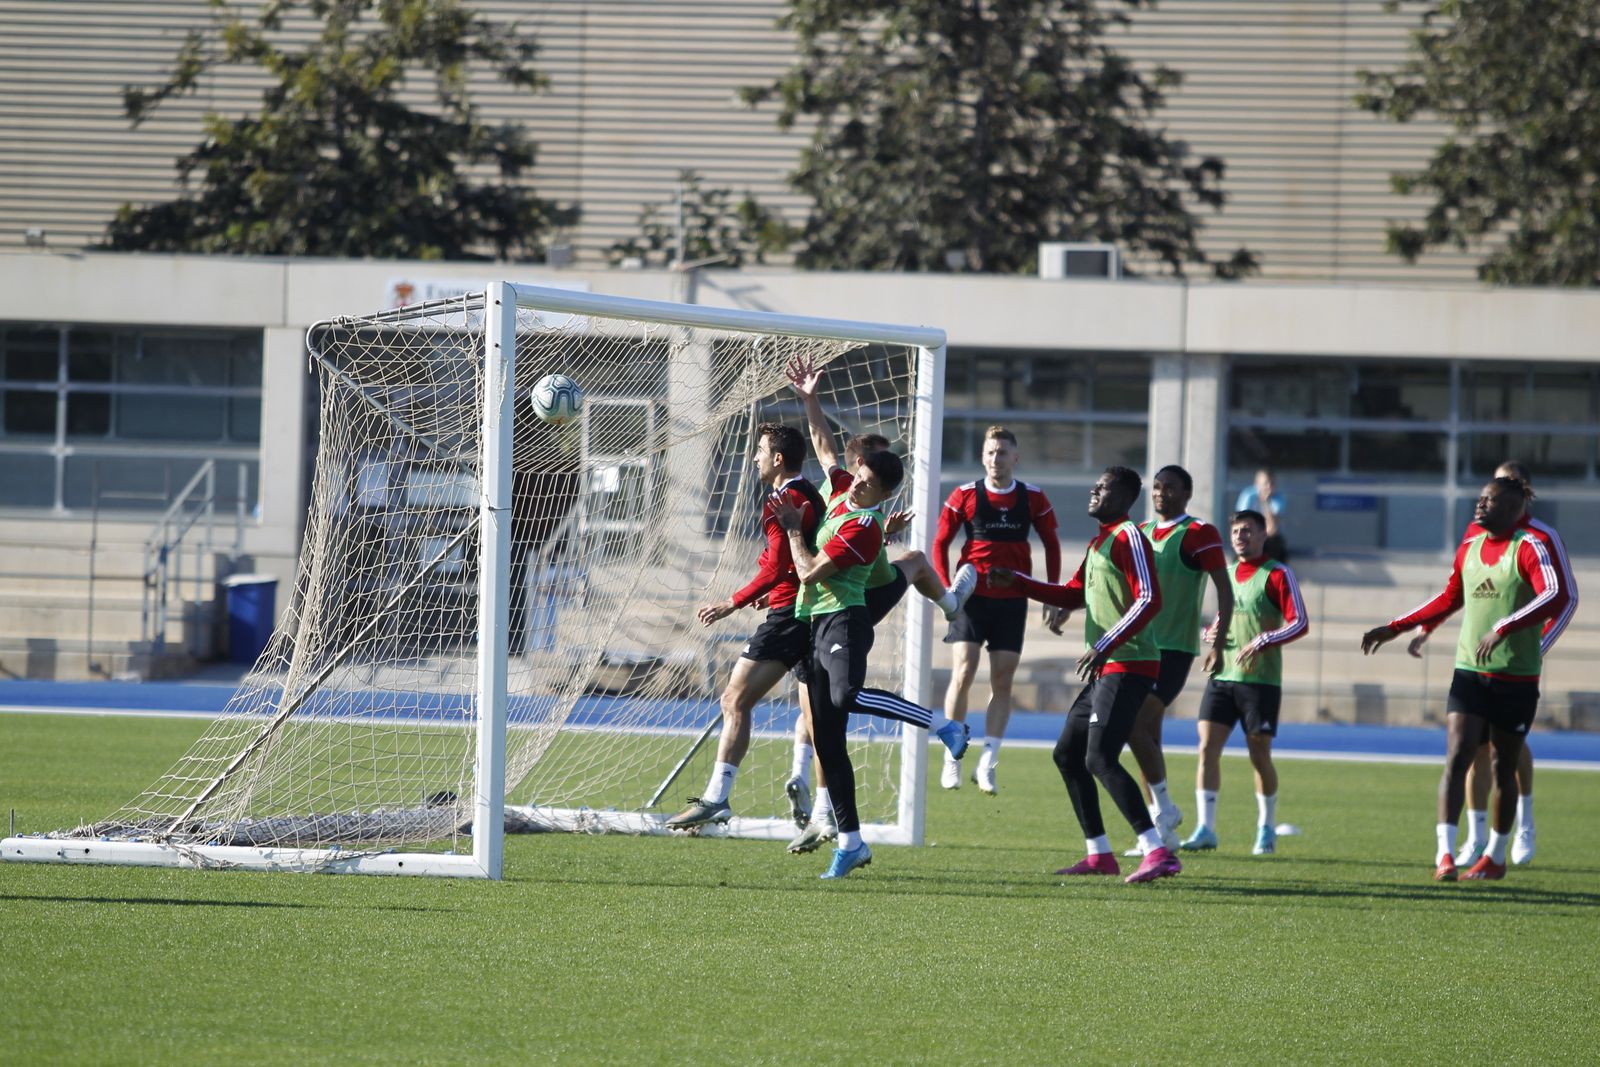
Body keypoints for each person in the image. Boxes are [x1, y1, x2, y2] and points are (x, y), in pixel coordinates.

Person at [783, 358, 978, 853]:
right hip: (815, 620)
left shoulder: (863, 525)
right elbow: (826, 445)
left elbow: (807, 572)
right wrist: (810, 399)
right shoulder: (844, 488)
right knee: (828, 740)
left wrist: (790, 528)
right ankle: (850, 842)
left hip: (846, 618)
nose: (858, 483)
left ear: (885, 494)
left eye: (869, 483)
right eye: (858, 475)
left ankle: (945, 725)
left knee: (847, 696)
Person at [1360, 477, 1572, 881]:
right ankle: (1445, 854)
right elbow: (1447, 597)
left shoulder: (1529, 546)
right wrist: (1396, 627)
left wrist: (1505, 627)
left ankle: (1494, 855)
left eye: (1489, 501)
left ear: (1512, 508)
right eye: (1479, 500)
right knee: (1457, 757)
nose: (1479, 506)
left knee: (1503, 765)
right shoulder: (1470, 547)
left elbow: (1556, 594)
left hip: (1516, 677)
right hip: (1469, 673)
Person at [992, 466, 1180, 885]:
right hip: (1107, 666)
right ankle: (1100, 854)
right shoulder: (1101, 543)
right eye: (1094, 486)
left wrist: (1104, 643)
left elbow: (1150, 599)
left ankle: (1157, 851)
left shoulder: (1130, 537)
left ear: (1125, 497)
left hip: (1128, 663)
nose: (1093, 492)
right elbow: (1072, 593)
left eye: (1103, 488)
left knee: (1099, 757)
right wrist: (1019, 582)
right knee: (1067, 754)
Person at [667, 423, 827, 832]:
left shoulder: (785, 498)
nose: (754, 457)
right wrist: (766, 591)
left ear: (777, 458)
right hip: (805, 611)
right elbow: (791, 560)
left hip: (790, 616)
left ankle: (717, 799)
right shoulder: (804, 491)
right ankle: (826, 814)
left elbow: (778, 566)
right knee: (817, 719)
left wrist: (731, 602)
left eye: (759, 450)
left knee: (733, 700)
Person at [934, 425, 1061, 795]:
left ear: (1015, 458)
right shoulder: (965, 495)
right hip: (972, 600)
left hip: (1012, 601)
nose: (996, 459)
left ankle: (988, 762)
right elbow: (940, 542)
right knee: (962, 671)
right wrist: (946, 592)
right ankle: (952, 757)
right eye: (990, 452)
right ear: (982, 456)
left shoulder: (1033, 497)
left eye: (1003, 453)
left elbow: (1053, 545)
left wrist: (1052, 594)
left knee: (1002, 680)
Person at [1178, 510, 1307, 856]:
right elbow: (1220, 620)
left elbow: (1300, 623)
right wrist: (1211, 635)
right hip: (1222, 678)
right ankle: (1206, 828)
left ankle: (1266, 827)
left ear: (1263, 535)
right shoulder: (1227, 575)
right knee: (1206, 748)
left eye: (1248, 530)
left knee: (1258, 754)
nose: (1240, 536)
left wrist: (1263, 640)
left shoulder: (1278, 574)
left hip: (1259, 680)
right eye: (1235, 531)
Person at [1121, 464, 1233, 854]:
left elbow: (1224, 589)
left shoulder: (1199, 533)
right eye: (1156, 487)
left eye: (1169, 487)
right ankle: (1160, 830)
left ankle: (1164, 812)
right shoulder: (1141, 533)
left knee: (1135, 725)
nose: (1160, 493)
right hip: (1139, 647)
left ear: (1186, 494)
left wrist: (1218, 640)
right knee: (1145, 737)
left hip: (1174, 649)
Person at [1235, 467, 1287, 562]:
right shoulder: (1248, 496)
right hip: (1250, 536)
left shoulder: (1278, 498)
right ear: (1257, 484)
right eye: (1266, 483)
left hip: (1269, 538)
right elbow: (1241, 523)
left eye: (1272, 483)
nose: (1269, 487)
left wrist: (1266, 502)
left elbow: (1273, 529)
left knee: (1274, 544)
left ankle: (1274, 573)